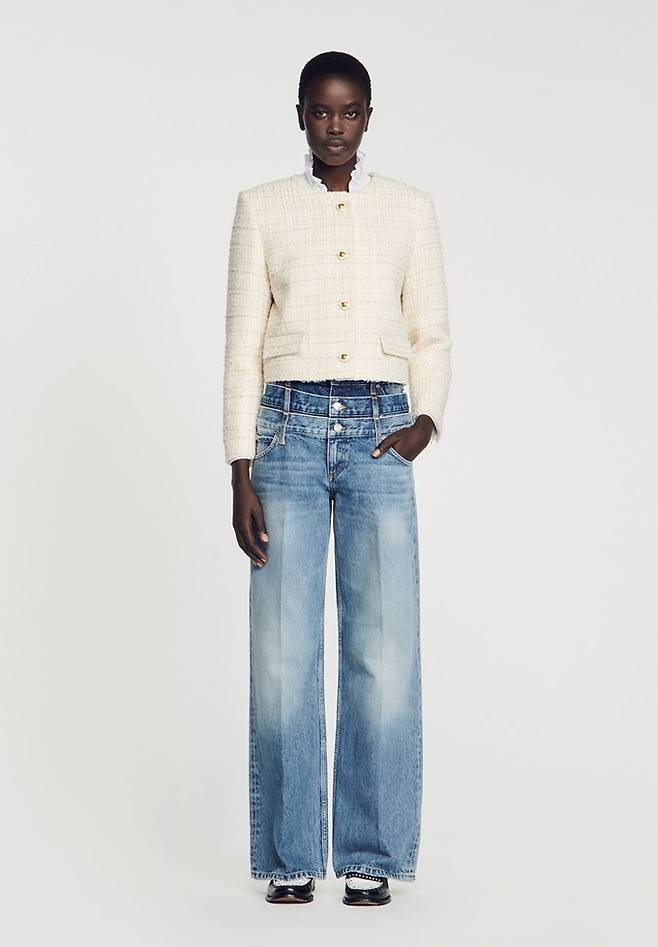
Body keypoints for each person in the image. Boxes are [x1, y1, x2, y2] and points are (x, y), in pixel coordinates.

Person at [222, 50, 451, 906]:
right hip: (284, 432)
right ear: (300, 115)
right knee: (283, 650)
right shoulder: (262, 208)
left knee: (382, 651)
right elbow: (242, 344)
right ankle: (289, 852)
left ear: (368, 117)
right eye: (320, 111)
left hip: (380, 435)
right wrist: (239, 469)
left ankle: (370, 850)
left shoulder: (409, 209)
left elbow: (432, 331)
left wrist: (425, 420)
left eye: (349, 111)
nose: (335, 126)